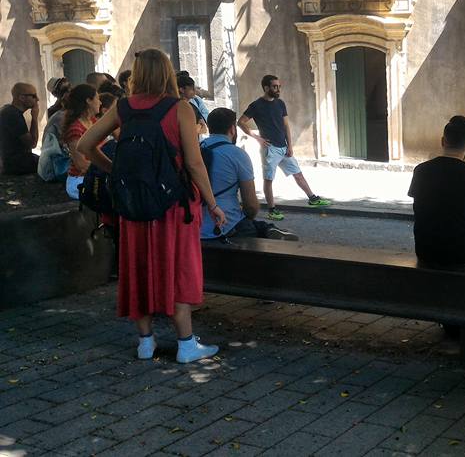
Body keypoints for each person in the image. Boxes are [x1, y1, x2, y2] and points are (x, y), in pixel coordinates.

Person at [78, 48, 226, 364]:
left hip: (134, 204)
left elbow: (85, 145)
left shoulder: (123, 107)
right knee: (178, 268)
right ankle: (186, 344)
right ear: (167, 73)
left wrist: (114, 170)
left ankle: (145, 342)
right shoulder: (180, 108)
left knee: (138, 266)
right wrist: (213, 203)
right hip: (173, 205)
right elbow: (194, 163)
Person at [408, 115, 465, 266]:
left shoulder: (420, 171)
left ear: (443, 141)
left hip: (425, 250)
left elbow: (419, 211)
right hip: (463, 253)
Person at [239, 74, 331, 221]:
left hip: (284, 147)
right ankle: (272, 210)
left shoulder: (280, 103)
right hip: (270, 149)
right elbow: (241, 122)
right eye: (275, 86)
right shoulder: (256, 105)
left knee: (298, 173)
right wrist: (257, 138)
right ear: (266, 88)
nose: (278, 89)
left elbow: (286, 125)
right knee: (268, 180)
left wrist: (290, 145)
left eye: (279, 86)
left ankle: (312, 198)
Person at [200, 107, 298, 241]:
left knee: (257, 225)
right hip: (226, 224)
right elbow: (251, 204)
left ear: (209, 128)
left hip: (195, 224)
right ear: (232, 129)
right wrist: (248, 215)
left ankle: (268, 228)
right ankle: (269, 230)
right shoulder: (237, 154)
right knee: (250, 225)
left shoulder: (196, 149)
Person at [60, 84, 101, 199]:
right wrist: (108, 167)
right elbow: (81, 165)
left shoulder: (93, 121)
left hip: (95, 175)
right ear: (88, 101)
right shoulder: (75, 129)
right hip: (79, 181)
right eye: (98, 99)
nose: (100, 102)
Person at [0, 83, 40, 175]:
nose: (37, 99)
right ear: (22, 98)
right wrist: (34, 118)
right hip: (15, 163)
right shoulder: (12, 115)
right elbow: (32, 144)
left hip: (11, 161)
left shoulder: (8, 110)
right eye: (33, 96)